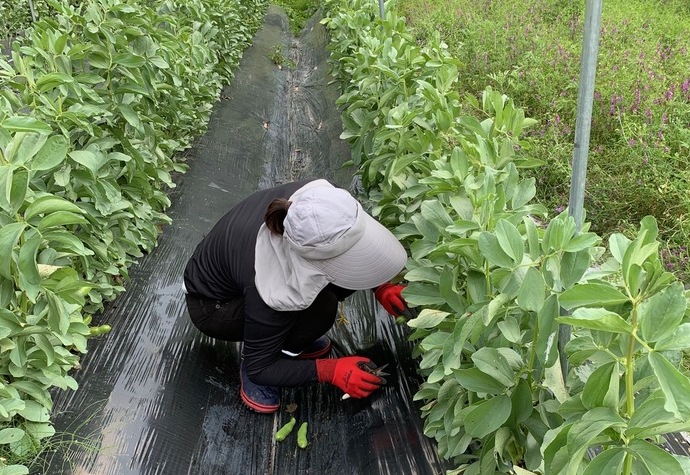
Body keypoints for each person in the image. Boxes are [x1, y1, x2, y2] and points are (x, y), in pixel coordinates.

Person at [182, 179, 412, 413]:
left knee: (328, 296)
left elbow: (350, 243)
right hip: (214, 307)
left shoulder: (320, 205)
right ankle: (267, 354)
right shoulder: (270, 282)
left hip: (241, 275)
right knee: (322, 310)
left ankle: (283, 344)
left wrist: (381, 285)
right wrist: (329, 370)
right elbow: (260, 367)